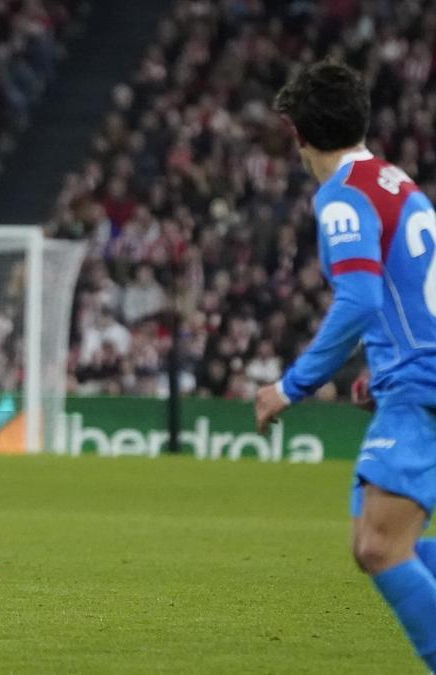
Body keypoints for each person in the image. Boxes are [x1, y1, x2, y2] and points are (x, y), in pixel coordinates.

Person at [254, 62, 436, 670]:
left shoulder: (342, 195)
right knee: (376, 541)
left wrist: (290, 386)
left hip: (424, 384)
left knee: (380, 548)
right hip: (413, 375)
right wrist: (382, 372)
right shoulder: (395, 181)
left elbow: (359, 298)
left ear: (298, 135)